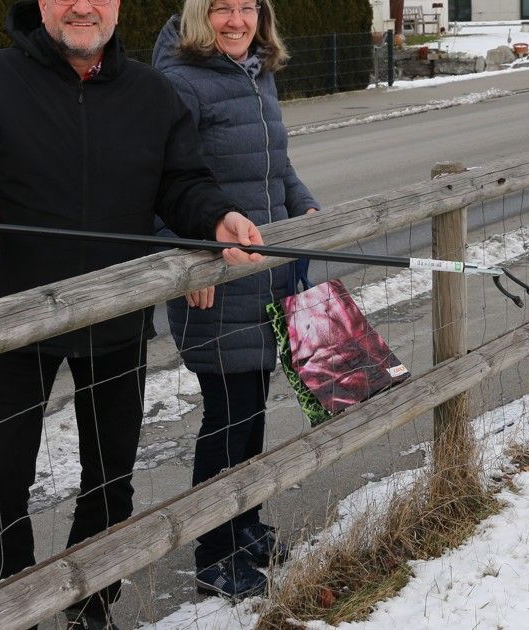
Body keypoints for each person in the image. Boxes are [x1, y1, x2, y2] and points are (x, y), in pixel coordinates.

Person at [0, 0, 266, 628]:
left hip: (116, 320)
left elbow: (182, 182)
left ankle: (91, 603)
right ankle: (10, 608)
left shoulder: (150, 93)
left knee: (110, 477)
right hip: (17, 323)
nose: (83, 6)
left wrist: (216, 216)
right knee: (3, 482)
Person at [151, 0, 319, 600]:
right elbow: (158, 181)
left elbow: (276, 165)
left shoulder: (257, 72)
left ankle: (244, 521)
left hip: (266, 271)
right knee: (227, 414)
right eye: (220, 7)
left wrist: (303, 204)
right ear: (200, 14)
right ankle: (212, 552)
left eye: (245, 6)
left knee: (252, 406)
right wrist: (185, 257)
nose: (235, 20)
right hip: (214, 279)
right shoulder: (178, 82)